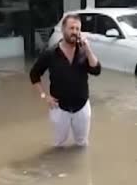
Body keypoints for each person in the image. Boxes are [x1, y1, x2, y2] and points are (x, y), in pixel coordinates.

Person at [30, 14, 101, 147]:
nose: (74, 32)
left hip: (82, 107)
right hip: (59, 108)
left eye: (77, 29)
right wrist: (45, 96)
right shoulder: (50, 54)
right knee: (58, 144)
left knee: (82, 144)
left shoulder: (83, 51)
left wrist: (88, 50)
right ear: (63, 30)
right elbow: (34, 75)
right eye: (71, 28)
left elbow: (96, 70)